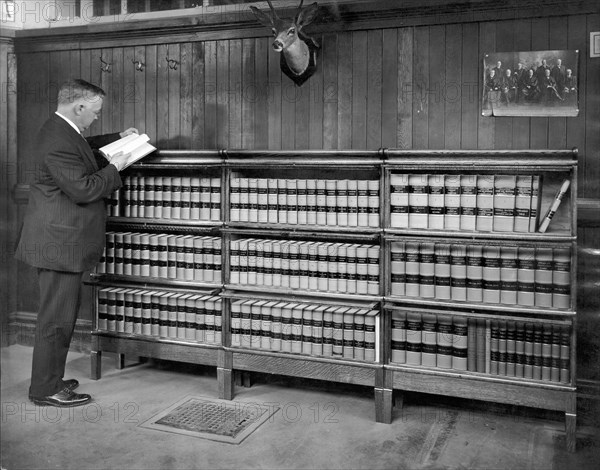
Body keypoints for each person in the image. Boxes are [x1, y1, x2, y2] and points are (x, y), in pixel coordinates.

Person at [15, 79, 137, 407]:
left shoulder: (63, 130)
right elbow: (83, 188)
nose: (97, 117)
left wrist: (117, 139)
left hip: (60, 242)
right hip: (59, 245)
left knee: (60, 318)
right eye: (95, 112)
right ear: (79, 107)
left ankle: (50, 379)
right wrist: (115, 168)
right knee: (56, 321)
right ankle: (45, 389)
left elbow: (84, 150)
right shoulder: (58, 138)